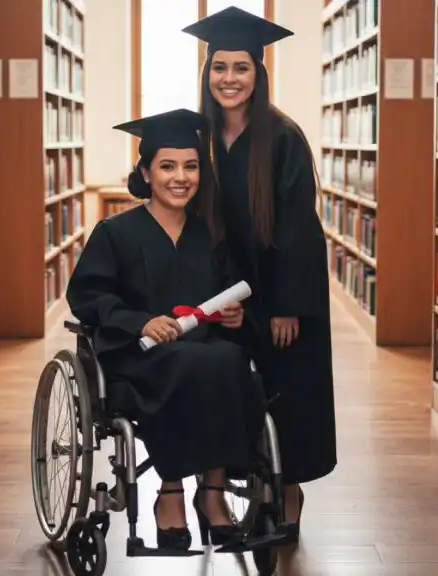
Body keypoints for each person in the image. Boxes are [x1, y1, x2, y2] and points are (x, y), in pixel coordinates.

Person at [64, 108, 266, 551]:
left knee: (231, 359)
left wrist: (233, 318)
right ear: (146, 172)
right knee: (195, 361)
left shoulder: (210, 235)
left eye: (191, 166)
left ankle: (212, 493)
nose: (181, 177)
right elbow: (87, 296)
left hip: (206, 350)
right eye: (168, 166)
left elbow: (226, 301)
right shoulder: (115, 232)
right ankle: (171, 491)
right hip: (140, 358)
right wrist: (141, 320)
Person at [181, 7, 338, 542]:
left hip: (278, 288)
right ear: (207, 73)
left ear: (258, 72)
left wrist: (288, 304)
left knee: (288, 385)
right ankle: (214, 489)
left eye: (241, 67)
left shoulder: (283, 137)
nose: (229, 78)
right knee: (219, 378)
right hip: (221, 289)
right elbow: (159, 179)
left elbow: (297, 225)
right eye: (219, 67)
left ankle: (288, 495)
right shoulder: (197, 135)